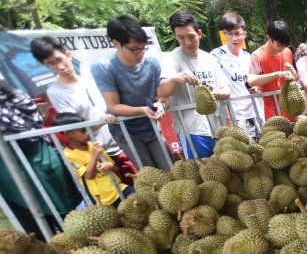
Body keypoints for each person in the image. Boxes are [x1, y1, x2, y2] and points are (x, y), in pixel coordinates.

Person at [30, 36, 138, 185]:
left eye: (59, 59)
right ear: (45, 66)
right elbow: (75, 129)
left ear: (67, 54)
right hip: (102, 151)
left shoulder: (90, 77)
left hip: (125, 141)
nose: (60, 67)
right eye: (51, 64)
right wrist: (102, 120)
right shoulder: (56, 92)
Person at [0, 81, 82, 237]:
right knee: (36, 230)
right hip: (13, 177)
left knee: (68, 223)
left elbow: (29, 123)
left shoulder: (14, 96)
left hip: (39, 163)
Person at [91, 14, 170, 170]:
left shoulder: (151, 63)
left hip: (151, 127)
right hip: (126, 132)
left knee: (170, 170)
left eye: (143, 49)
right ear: (116, 44)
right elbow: (113, 106)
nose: (140, 54)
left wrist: (160, 104)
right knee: (150, 176)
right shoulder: (103, 67)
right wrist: (143, 110)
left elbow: (161, 96)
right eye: (134, 50)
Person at [157, 11, 230, 159]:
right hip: (192, 130)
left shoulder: (210, 59)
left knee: (227, 171)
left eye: (191, 37)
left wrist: (214, 94)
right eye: (181, 38)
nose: (188, 43)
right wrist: (176, 78)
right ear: (175, 36)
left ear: (199, 33)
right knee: (200, 173)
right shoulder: (172, 59)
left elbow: (226, 90)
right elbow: (162, 92)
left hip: (218, 127)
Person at [55, 112, 134, 206]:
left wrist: (110, 166)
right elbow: (88, 175)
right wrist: (95, 156)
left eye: (87, 129)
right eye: (82, 130)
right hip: (102, 200)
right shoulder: (68, 154)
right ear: (68, 133)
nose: (87, 133)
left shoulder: (93, 145)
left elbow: (115, 167)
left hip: (119, 188)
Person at [211, 12, 260, 142]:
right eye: (229, 33)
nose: (234, 38)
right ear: (224, 34)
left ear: (244, 34)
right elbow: (217, 86)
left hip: (254, 111)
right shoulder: (217, 56)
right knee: (246, 154)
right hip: (235, 115)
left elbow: (252, 83)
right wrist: (228, 117)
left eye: (237, 33)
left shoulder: (247, 57)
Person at [248, 20, 298, 121]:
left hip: (291, 109)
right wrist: (276, 74)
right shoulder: (258, 56)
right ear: (268, 37)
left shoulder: (288, 52)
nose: (283, 48)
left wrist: (293, 72)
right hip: (272, 114)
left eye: (286, 45)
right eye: (279, 45)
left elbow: (295, 77)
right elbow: (251, 81)